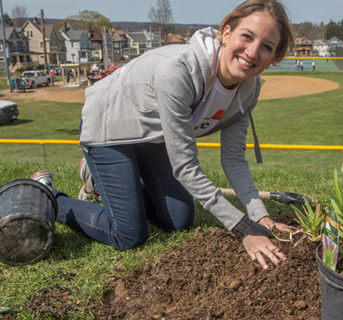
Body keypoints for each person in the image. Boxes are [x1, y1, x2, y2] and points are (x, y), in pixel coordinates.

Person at [30, 0, 296, 270]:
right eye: (247, 36)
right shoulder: (179, 71)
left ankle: (100, 182)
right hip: (108, 127)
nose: (252, 52)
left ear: (273, 57)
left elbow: (234, 159)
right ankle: (50, 195)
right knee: (128, 234)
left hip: (153, 135)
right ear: (227, 33)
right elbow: (185, 166)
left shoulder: (249, 89)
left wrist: (260, 216)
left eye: (266, 47)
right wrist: (242, 227)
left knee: (178, 219)